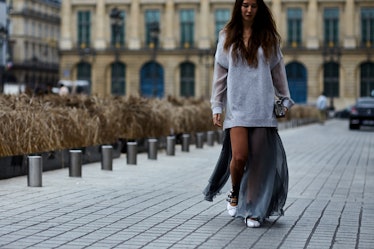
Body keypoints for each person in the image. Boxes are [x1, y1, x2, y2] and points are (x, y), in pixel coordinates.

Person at [203, 0, 294, 228]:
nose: (249, 9)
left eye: (253, 5)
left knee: (259, 162)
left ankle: (252, 208)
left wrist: (284, 100)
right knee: (240, 156)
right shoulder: (226, 36)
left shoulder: (269, 38)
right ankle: (235, 192)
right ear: (238, 7)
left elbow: (278, 71)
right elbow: (220, 75)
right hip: (237, 107)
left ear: (259, 8)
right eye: (245, 4)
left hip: (262, 107)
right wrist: (217, 106)